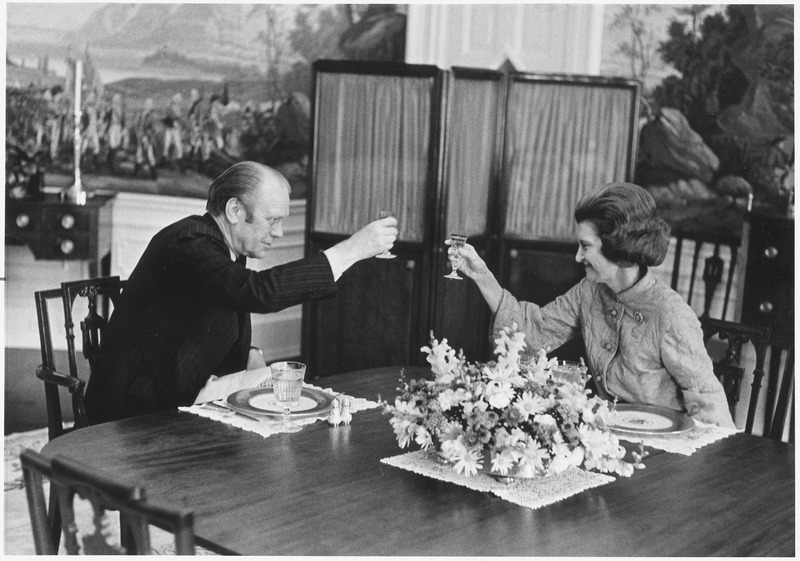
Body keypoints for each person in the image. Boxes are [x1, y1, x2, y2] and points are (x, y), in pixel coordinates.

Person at [85, 161, 398, 424]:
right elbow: (257, 292)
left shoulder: (224, 246)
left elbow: (219, 316)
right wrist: (352, 250)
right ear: (234, 209)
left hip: (172, 392)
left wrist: (251, 360)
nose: (277, 233)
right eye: (272, 220)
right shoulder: (189, 241)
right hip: (130, 414)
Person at [447, 182, 735, 428]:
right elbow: (532, 334)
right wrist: (482, 275)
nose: (577, 257)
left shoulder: (670, 313)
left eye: (585, 246)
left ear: (616, 244)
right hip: (601, 438)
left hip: (659, 456)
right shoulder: (589, 291)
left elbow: (709, 405)